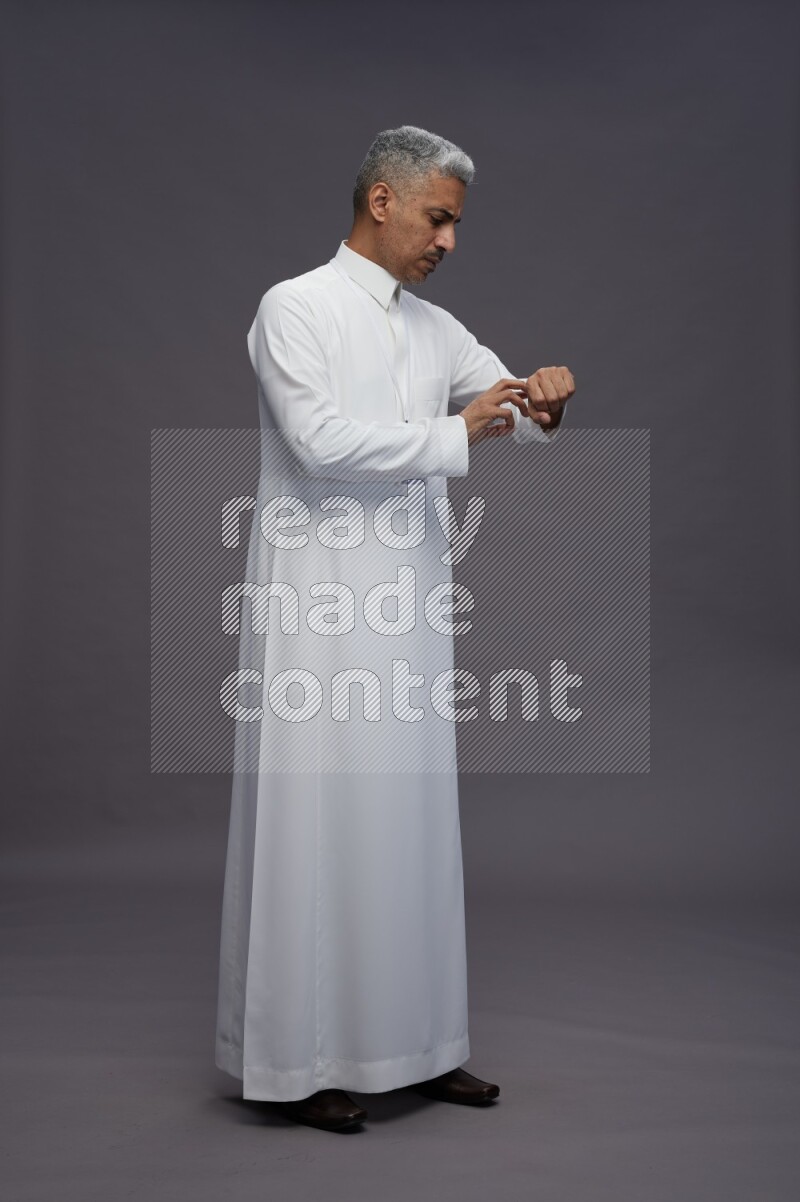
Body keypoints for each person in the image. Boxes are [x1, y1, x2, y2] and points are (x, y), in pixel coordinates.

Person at [215, 125, 575, 1133]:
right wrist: (457, 431)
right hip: (317, 606)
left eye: (454, 222)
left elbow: (506, 407)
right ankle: (298, 1060)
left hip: (409, 606)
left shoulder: (434, 329)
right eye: (438, 217)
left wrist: (542, 402)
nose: (447, 240)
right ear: (382, 200)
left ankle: (418, 1046)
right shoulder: (293, 306)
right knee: (317, 821)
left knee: (406, 823)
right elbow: (319, 441)